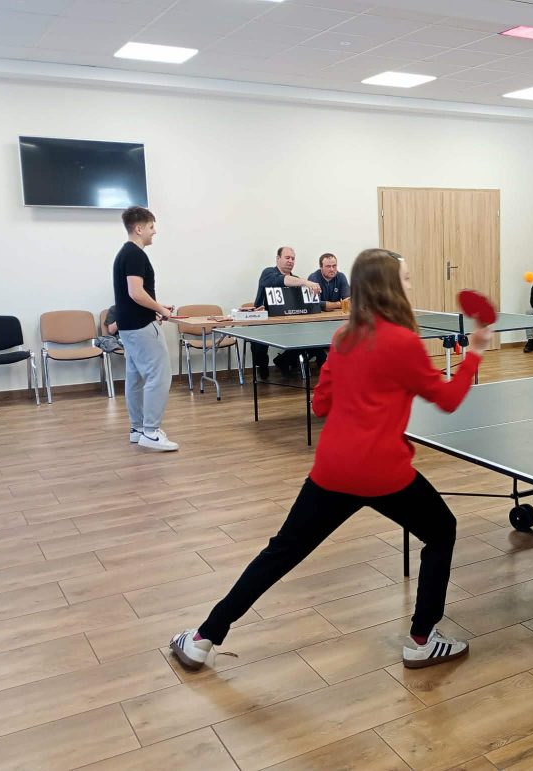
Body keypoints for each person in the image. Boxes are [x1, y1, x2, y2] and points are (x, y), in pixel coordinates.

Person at [170, 248, 491, 672]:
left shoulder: (343, 338)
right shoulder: (404, 343)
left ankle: (203, 638)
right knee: (442, 530)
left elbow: (321, 405)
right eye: (406, 278)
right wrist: (475, 353)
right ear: (389, 287)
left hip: (333, 469)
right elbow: (447, 399)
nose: (411, 285)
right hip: (384, 473)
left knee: (281, 552)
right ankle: (421, 640)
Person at [113, 206, 178, 451]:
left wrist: (157, 307)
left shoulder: (125, 253)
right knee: (159, 376)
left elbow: (135, 294)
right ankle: (151, 432)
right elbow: (136, 293)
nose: (154, 231)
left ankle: (138, 429)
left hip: (130, 326)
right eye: (151, 227)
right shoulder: (135, 254)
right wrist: (161, 310)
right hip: (141, 327)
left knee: (136, 378)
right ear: (139, 229)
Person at [251, 246, 322, 379]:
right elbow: (282, 280)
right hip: (264, 323)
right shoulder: (268, 273)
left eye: (293, 258)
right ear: (278, 258)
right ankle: (263, 366)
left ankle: (285, 360)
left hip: (289, 322)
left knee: (312, 336)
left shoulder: (296, 279)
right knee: (258, 344)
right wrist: (306, 282)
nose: (290, 261)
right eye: (287, 257)